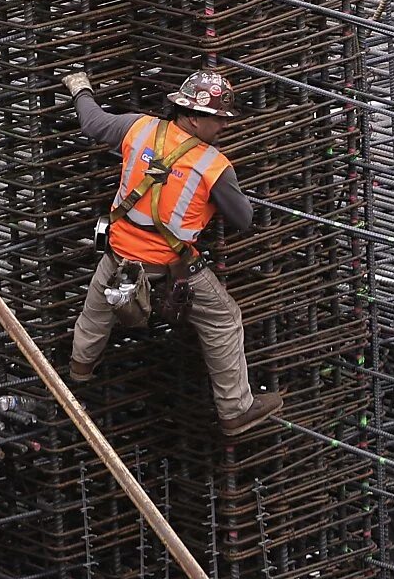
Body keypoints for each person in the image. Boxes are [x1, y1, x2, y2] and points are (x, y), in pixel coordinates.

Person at [59, 66, 283, 435]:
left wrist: (81, 88)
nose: (223, 126)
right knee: (224, 320)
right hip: (173, 267)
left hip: (119, 256)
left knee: (96, 311)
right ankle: (235, 409)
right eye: (217, 119)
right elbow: (244, 219)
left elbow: (93, 123)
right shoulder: (213, 165)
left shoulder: (140, 127)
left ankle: (78, 374)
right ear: (192, 118)